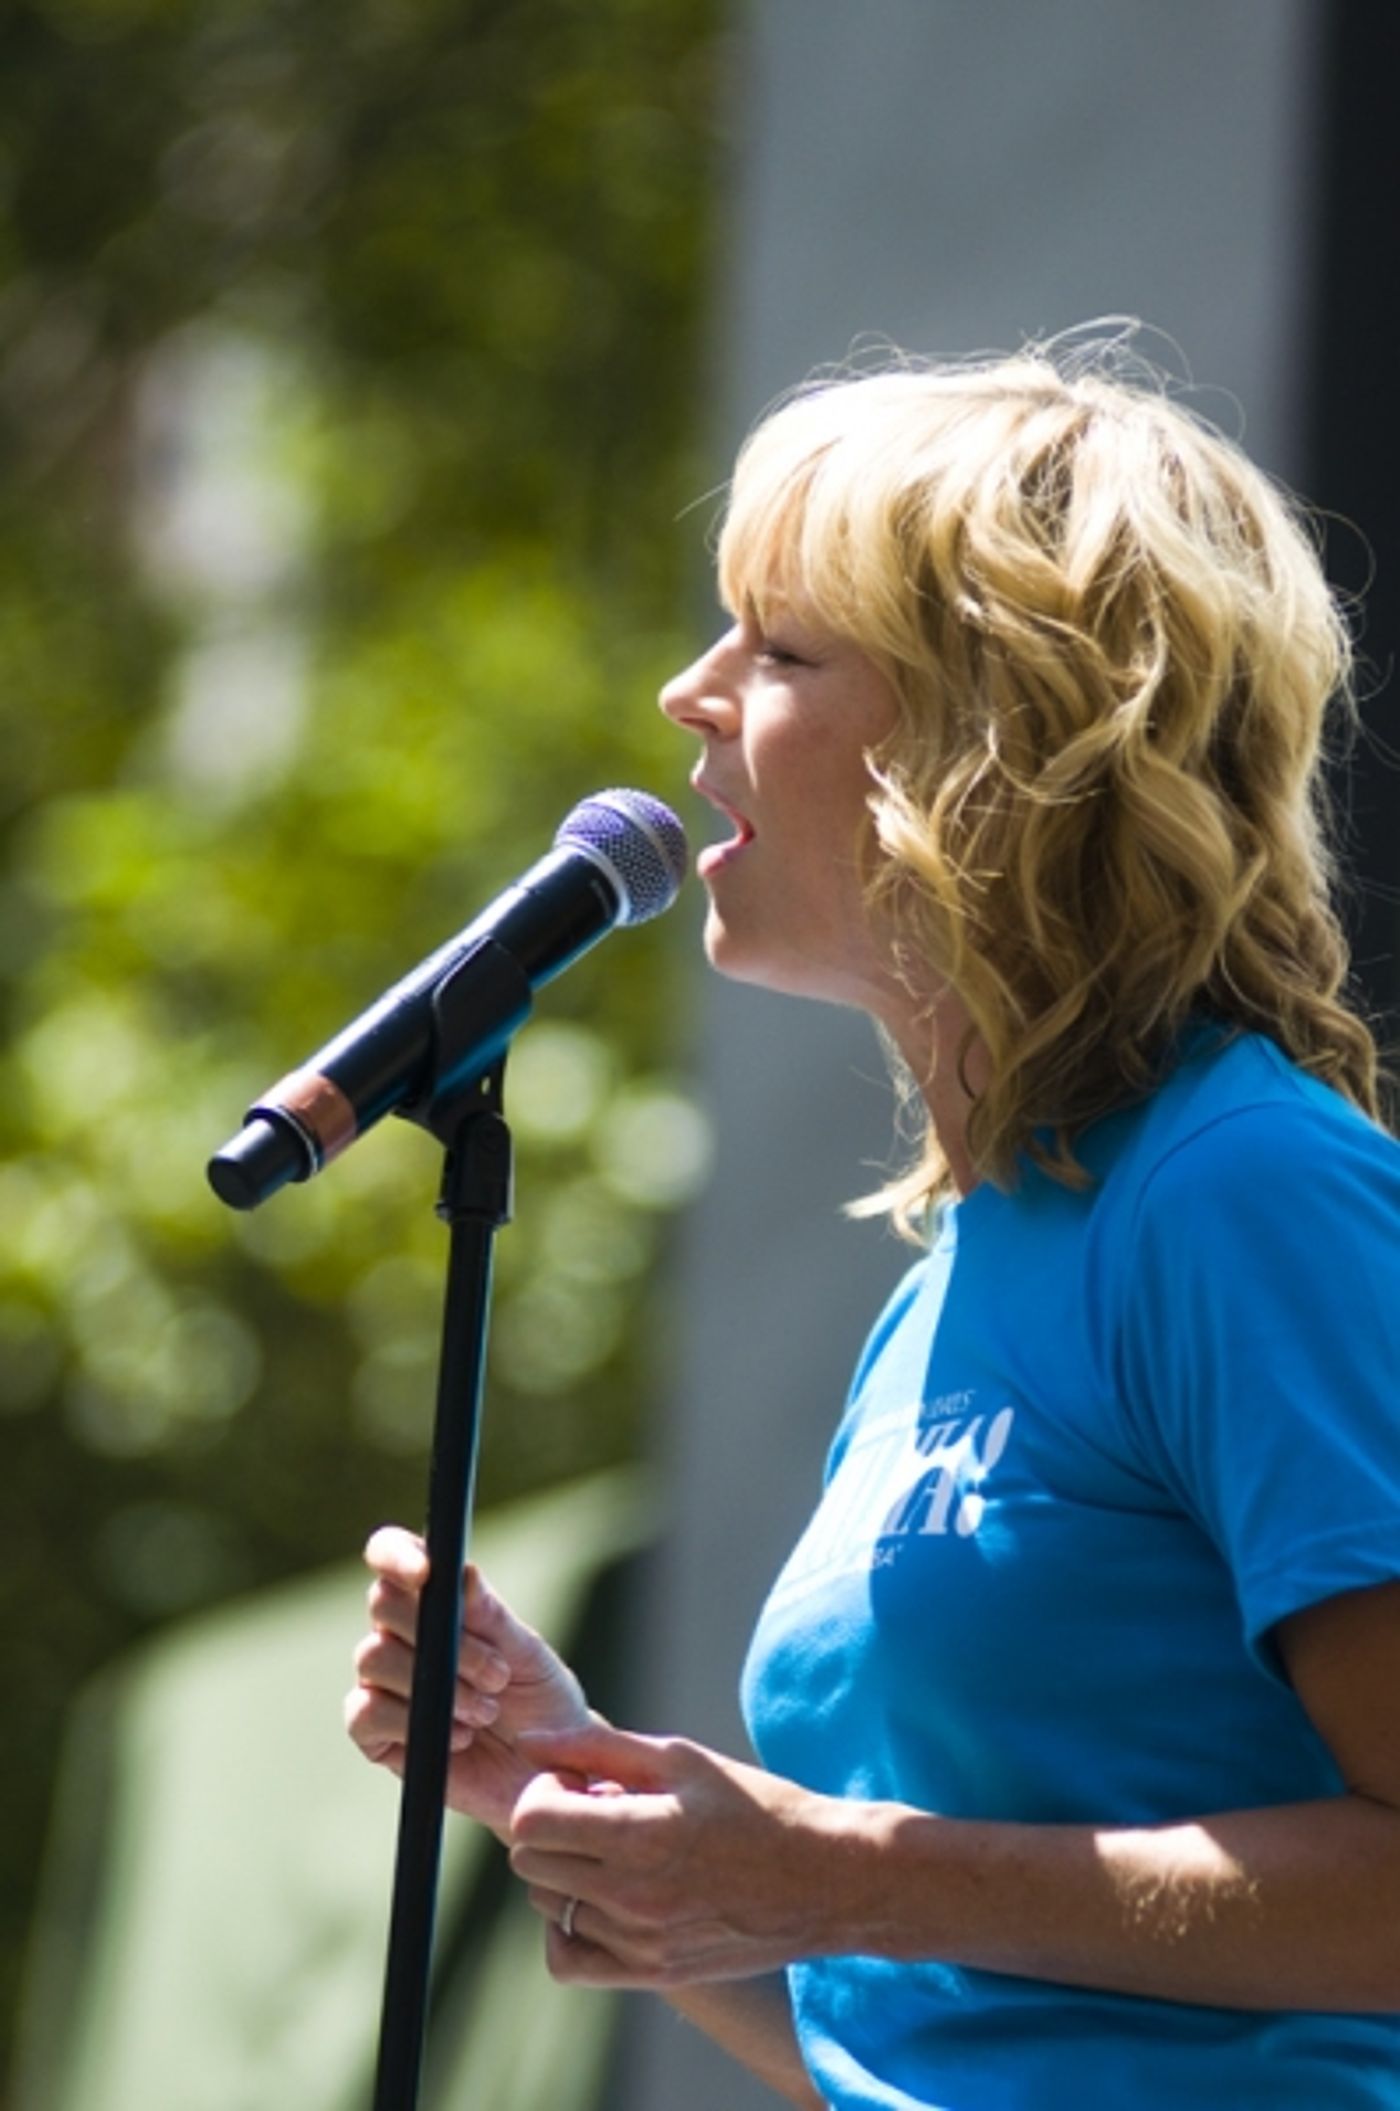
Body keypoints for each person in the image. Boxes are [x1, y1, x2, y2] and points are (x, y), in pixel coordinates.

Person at [345, 337, 1400, 2109]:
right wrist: (614, 1814)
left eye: (778, 645)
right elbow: (931, 2037)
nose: (691, 694)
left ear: (1003, 733)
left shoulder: (1244, 1193)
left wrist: (824, 1867)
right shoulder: (954, 1287)